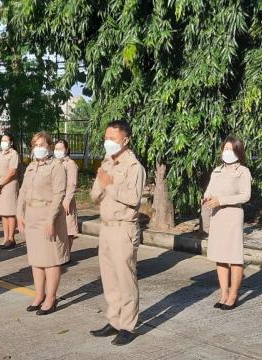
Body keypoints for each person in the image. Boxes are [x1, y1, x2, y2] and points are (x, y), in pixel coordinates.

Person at [89, 120, 146, 346]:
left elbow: (133, 199)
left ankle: (128, 325)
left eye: (112, 138)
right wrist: (102, 182)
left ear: (125, 139)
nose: (107, 142)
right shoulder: (106, 163)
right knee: (110, 279)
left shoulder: (134, 167)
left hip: (124, 228)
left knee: (125, 279)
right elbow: (94, 196)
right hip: (106, 226)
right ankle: (114, 320)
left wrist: (109, 184)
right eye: (106, 138)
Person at [17, 132, 69, 315]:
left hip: (49, 216)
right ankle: (39, 295)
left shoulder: (56, 166)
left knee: (51, 260)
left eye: (42, 144)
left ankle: (51, 298)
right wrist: (19, 215)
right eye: (35, 145)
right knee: (36, 260)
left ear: (49, 146)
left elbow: (59, 194)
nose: (38, 148)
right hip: (31, 216)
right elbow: (22, 191)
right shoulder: (31, 166)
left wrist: (50, 220)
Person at [202, 136, 252, 311]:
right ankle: (223, 293)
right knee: (220, 256)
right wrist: (206, 198)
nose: (227, 152)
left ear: (238, 151)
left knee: (234, 256)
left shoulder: (243, 171)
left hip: (232, 216)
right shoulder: (217, 170)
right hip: (217, 216)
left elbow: (245, 195)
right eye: (225, 148)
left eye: (231, 149)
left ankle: (233, 295)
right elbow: (209, 191)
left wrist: (221, 200)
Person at [0, 134, 20, 249]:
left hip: (8, 185)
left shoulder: (14, 154)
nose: (3, 142)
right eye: (2, 140)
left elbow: (12, 172)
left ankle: (11, 238)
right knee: (3, 213)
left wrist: (1, 183)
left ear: (11, 142)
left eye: (6, 140)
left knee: (10, 213)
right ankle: (5, 238)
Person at [54, 139, 79, 250]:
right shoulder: (53, 163)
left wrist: (67, 200)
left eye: (60, 149)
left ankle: (67, 252)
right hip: (54, 199)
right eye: (56, 149)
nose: (57, 151)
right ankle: (60, 253)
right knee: (57, 227)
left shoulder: (70, 164)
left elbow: (72, 184)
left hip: (66, 200)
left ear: (67, 150)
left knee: (68, 228)